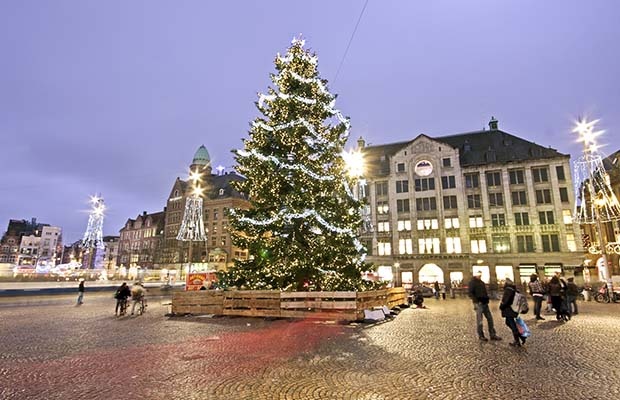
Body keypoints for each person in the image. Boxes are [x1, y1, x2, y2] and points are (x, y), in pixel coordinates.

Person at [468, 270, 501, 341]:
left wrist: (487, 299)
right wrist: (476, 301)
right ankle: (481, 335)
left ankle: (492, 334)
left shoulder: (482, 283)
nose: (480, 275)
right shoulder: (472, 283)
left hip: (485, 303)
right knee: (480, 320)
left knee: (490, 319)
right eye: (478, 274)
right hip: (478, 304)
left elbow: (485, 292)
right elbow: (470, 293)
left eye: (480, 274)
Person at [499, 278, 527, 347]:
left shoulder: (508, 290)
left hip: (509, 309)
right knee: (508, 322)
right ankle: (521, 337)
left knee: (512, 324)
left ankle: (517, 341)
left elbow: (507, 301)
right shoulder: (513, 289)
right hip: (512, 309)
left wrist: (502, 306)